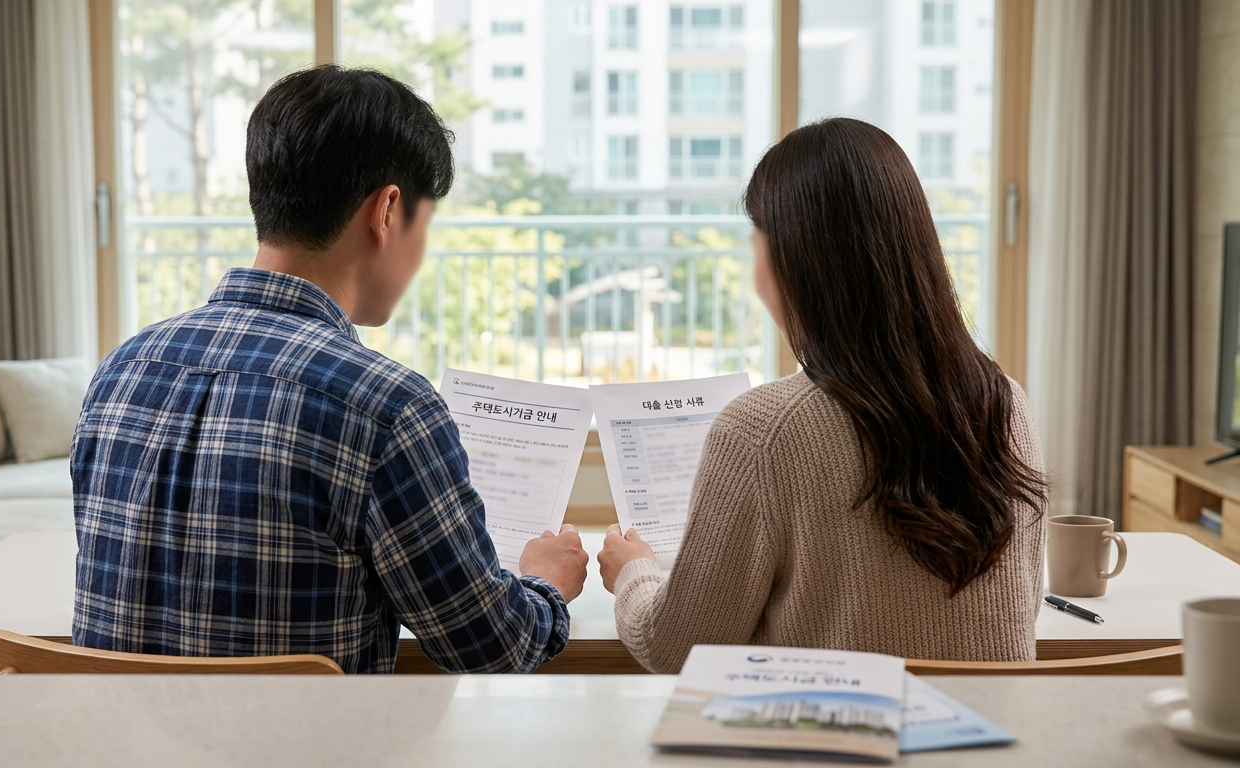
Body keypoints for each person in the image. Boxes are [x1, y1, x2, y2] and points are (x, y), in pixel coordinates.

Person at [71, 65, 588, 674]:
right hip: (305, 733)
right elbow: (492, 649)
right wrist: (546, 582)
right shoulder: (385, 406)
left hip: (117, 731)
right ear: (386, 211)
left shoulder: (121, 371)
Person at [597, 117, 1049, 673]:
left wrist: (633, 573)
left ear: (789, 264)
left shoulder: (762, 431)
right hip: (994, 727)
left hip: (841, 728)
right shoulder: (1008, 403)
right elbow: (1018, 609)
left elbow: (676, 650)